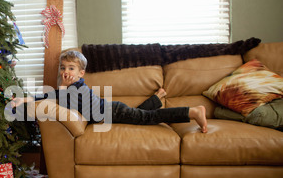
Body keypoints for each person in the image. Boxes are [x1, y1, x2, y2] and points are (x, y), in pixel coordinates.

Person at [11, 50, 208, 133]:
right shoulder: (68, 88)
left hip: (113, 111)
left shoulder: (78, 88)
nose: (66, 72)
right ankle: (156, 98)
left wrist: (62, 86)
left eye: (71, 68)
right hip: (111, 112)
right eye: (63, 68)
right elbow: (49, 94)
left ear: (81, 73)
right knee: (141, 113)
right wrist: (24, 99)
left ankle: (193, 112)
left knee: (147, 118)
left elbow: (61, 97)